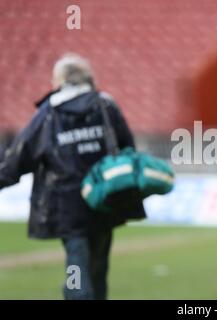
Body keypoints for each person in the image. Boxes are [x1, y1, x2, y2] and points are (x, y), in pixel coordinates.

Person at [0, 54, 146, 299]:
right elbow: (128, 149)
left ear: (60, 80)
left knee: (77, 268)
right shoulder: (105, 106)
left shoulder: (50, 113)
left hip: (67, 207)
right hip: (104, 200)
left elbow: (19, 159)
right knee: (98, 270)